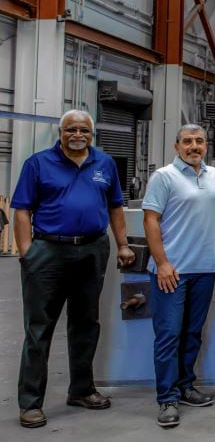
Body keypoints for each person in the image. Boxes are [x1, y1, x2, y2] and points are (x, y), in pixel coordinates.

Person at [11, 110, 135, 429]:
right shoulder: (38, 163)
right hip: (49, 250)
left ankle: (81, 390)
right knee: (39, 328)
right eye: (71, 129)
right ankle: (30, 402)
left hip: (93, 248)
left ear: (92, 134)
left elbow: (115, 207)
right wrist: (27, 252)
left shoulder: (104, 163)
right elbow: (22, 210)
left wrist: (122, 244)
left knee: (86, 323)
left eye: (84, 130)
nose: (77, 134)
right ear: (61, 132)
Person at [143, 124, 215, 428]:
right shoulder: (163, 177)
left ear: (206, 146)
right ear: (176, 146)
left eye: (199, 141)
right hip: (172, 272)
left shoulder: (214, 176)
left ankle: (185, 386)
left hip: (204, 270)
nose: (193, 146)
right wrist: (162, 263)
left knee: (192, 333)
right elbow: (151, 220)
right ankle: (167, 398)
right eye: (187, 142)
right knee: (169, 335)